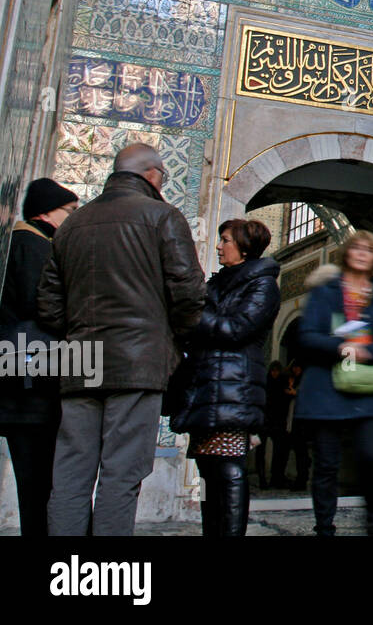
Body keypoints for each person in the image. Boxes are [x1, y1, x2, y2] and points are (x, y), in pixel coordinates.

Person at [37, 143, 205, 535]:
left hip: (80, 360)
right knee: (120, 476)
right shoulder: (162, 216)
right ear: (151, 174)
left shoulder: (73, 225)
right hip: (137, 363)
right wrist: (170, 336)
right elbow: (189, 292)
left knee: (71, 474)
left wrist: (81, 333)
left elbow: (48, 302)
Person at [171, 219, 280, 535]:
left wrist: (194, 313)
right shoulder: (217, 284)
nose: (219, 246)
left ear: (244, 248)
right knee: (206, 471)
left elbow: (236, 329)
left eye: (226, 240)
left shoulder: (262, 285)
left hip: (235, 389)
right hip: (204, 389)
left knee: (230, 467)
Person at [295, 230, 373, 536]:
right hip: (326, 387)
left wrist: (367, 351)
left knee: (369, 456)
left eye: (368, 249)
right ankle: (324, 525)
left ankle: (372, 516)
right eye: (356, 247)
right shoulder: (325, 291)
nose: (361, 252)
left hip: (365, 387)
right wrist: (340, 347)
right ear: (347, 253)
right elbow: (307, 335)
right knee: (326, 463)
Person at [0, 178, 78, 535]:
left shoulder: (20, 241)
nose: (72, 219)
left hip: (23, 385)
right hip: (31, 390)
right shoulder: (32, 245)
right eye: (70, 212)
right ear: (47, 211)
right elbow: (42, 306)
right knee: (38, 484)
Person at [259, 361, 292, 488]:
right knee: (262, 451)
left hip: (275, 421)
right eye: (273, 371)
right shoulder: (268, 382)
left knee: (277, 451)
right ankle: (264, 478)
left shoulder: (278, 383)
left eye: (276, 371)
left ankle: (274, 477)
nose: (275, 373)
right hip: (267, 421)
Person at [285, 359, 310, 490]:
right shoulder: (295, 381)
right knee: (299, 452)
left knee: (301, 453)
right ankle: (300, 478)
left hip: (302, 423)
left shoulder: (304, 382)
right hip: (295, 422)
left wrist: (295, 392)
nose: (295, 370)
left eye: (297, 368)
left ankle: (302, 479)